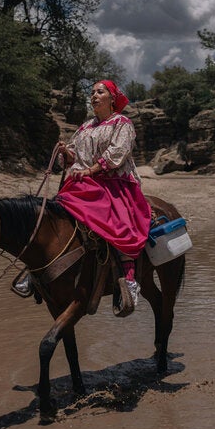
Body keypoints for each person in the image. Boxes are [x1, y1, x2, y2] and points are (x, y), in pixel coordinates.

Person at [55, 80, 151, 316]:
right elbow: (73, 156)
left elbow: (117, 153)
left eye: (100, 92)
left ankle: (129, 277)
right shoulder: (86, 126)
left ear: (112, 97)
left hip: (114, 182)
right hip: (84, 183)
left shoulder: (122, 123)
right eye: (92, 92)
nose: (94, 96)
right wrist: (66, 153)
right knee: (53, 212)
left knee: (118, 223)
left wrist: (90, 170)